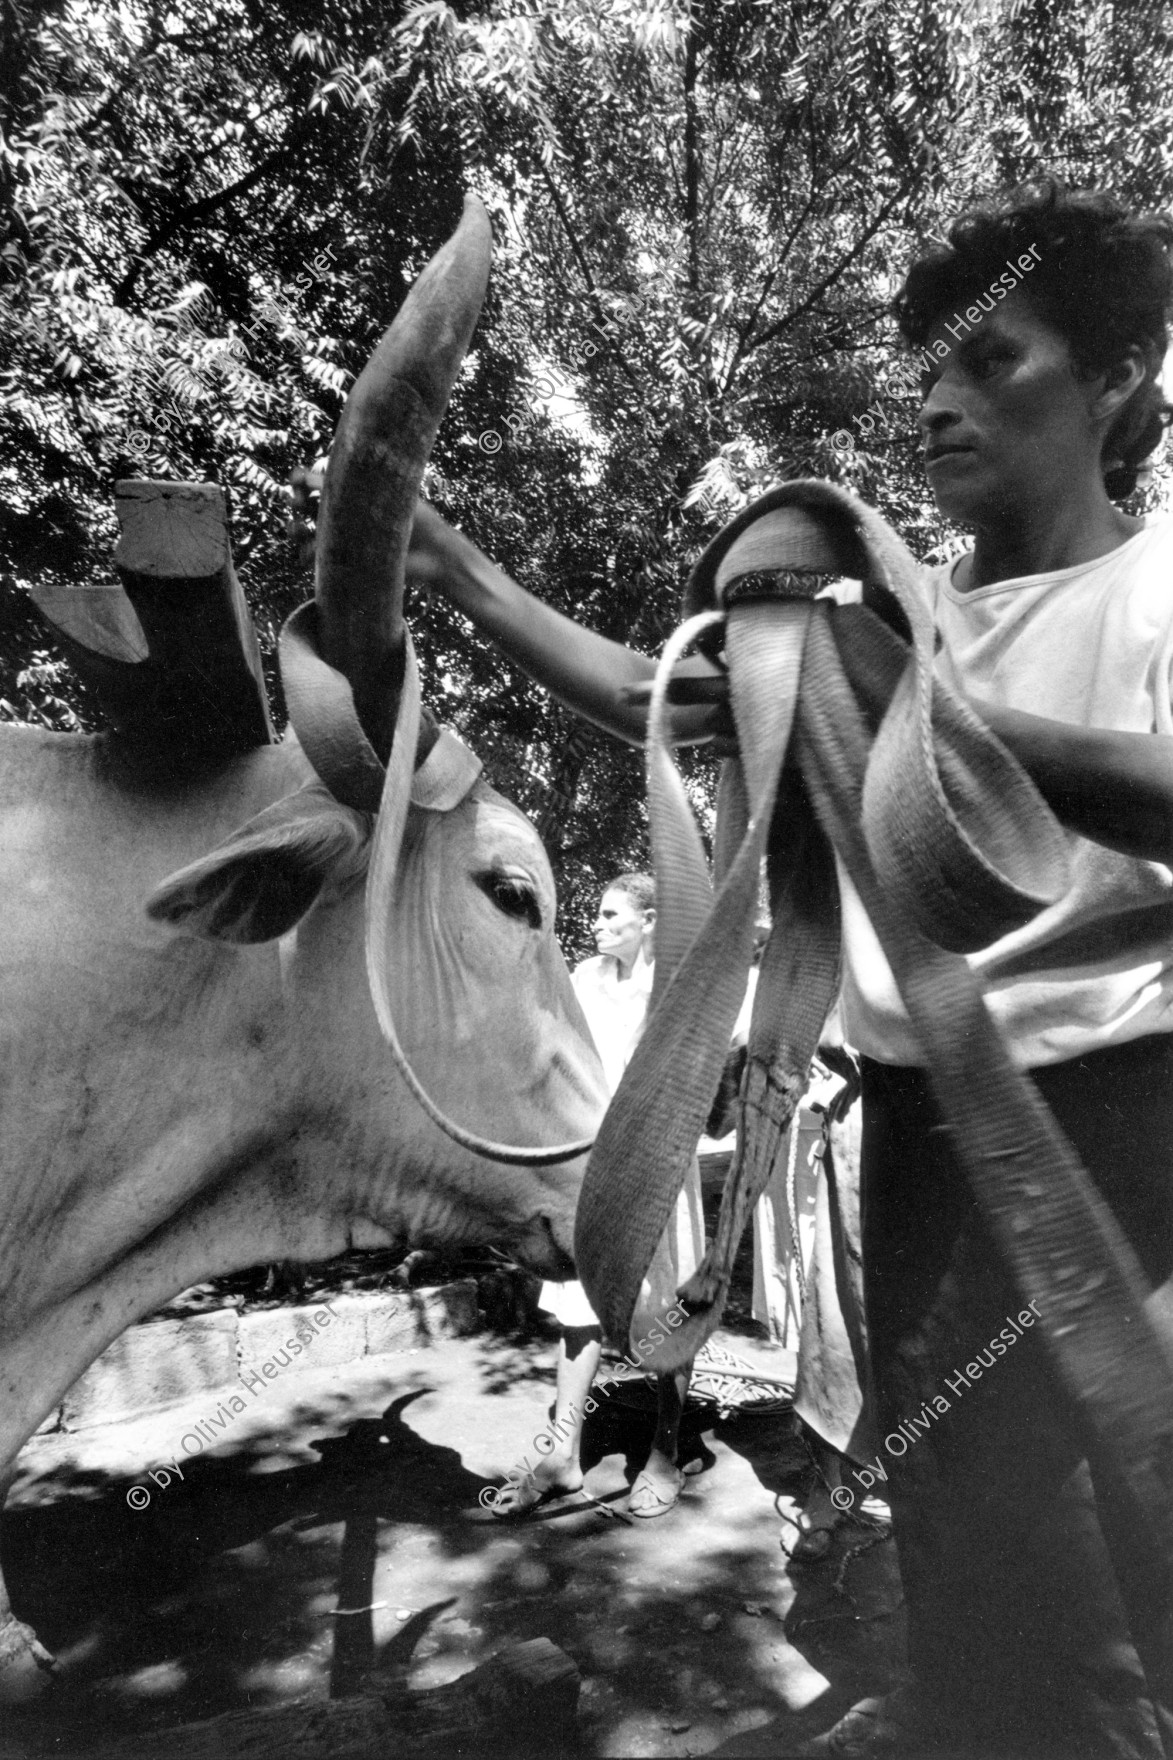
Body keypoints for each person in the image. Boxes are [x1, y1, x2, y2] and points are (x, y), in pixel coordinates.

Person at [408, 179, 1173, 1756]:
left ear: (1113, 385)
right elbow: (657, 693)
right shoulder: (889, 626)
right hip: (916, 1129)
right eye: (931, 377)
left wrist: (929, 722)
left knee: (1062, 1516)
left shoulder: (1147, 596)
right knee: (962, 1499)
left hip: (1109, 1120)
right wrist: (455, 570)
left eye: (996, 363)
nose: (943, 405)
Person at [490, 872, 707, 1519]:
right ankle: (562, 1458)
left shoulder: (671, 988)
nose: (598, 923)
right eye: (599, 914)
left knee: (666, 1309)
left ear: (648, 920)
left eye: (613, 915)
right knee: (577, 1310)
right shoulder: (582, 980)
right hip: (589, 1168)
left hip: (660, 1163)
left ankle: (665, 1452)